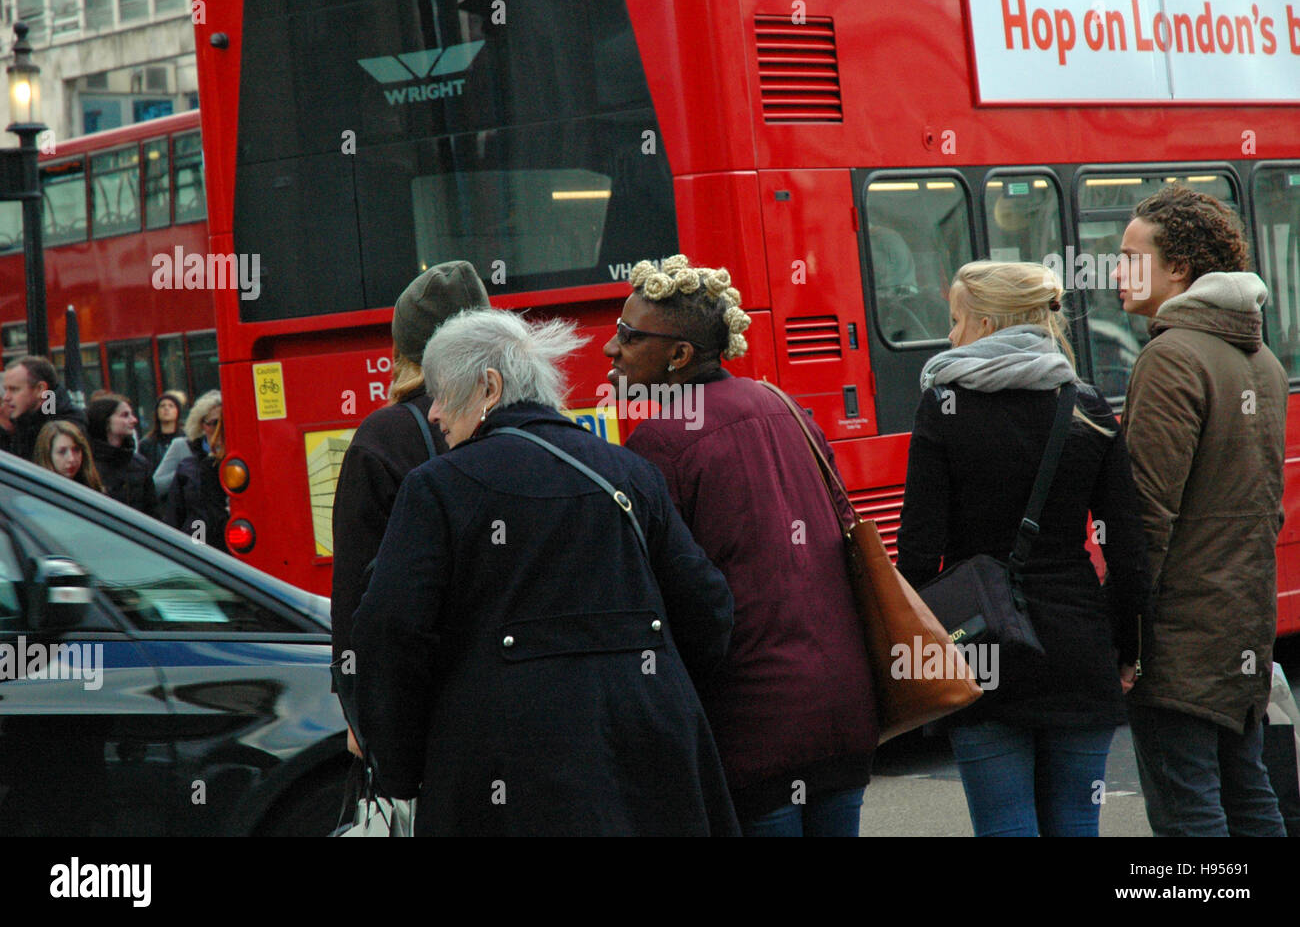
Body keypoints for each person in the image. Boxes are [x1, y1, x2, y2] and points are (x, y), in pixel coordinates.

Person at [352, 309, 738, 836]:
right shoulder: (630, 472)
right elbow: (709, 607)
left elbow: (390, 632)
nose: (436, 413)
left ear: (489, 387)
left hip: (505, 775)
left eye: (441, 392)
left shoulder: (436, 489)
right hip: (651, 762)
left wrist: (399, 767)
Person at [607, 254, 877, 837]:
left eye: (629, 336)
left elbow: (663, 595)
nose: (611, 350)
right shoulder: (785, 407)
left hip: (751, 723)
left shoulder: (661, 442)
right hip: (842, 707)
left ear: (679, 355)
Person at [895, 260, 1151, 837]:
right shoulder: (1085, 405)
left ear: (986, 323)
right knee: (1079, 821)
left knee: (1004, 825)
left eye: (957, 320)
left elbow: (917, 549)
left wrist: (909, 650)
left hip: (982, 646)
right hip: (1078, 645)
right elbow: (1128, 547)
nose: (952, 335)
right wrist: (1130, 645)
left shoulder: (944, 405)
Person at [1112, 185, 1288, 837]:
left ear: (1180, 269)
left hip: (1180, 637)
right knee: (1248, 796)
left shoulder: (1171, 357)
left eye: (1132, 256)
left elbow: (1147, 517)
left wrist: (1127, 636)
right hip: (1243, 618)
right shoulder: (1261, 358)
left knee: (1190, 819)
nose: (1116, 271)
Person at [331, 260, 489, 756]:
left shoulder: (384, 436)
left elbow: (358, 591)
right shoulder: (529, 416)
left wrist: (359, 709)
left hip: (437, 699)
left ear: (401, 350)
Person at [165, 391, 229, 552]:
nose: (220, 429)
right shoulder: (189, 466)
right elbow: (175, 516)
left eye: (225, 422)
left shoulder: (240, 464)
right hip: (199, 543)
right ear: (202, 425)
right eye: (214, 423)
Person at [86, 394, 159, 517]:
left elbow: (152, 512)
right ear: (106, 421)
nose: (134, 420)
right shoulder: (85, 463)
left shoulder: (140, 464)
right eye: (125, 415)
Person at [2, 356, 87, 461]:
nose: (6, 397)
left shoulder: (67, 425)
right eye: (5, 390)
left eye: (14, 389)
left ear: (40, 389)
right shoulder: (23, 420)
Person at [33, 420, 103, 491]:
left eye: (76, 449)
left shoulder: (92, 488)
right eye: (62, 452)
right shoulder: (37, 490)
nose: (71, 459)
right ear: (47, 454)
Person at [138, 391, 188, 473]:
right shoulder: (146, 444)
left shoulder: (187, 440)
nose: (166, 408)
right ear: (157, 412)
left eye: (171, 406)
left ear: (177, 411)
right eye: (162, 406)